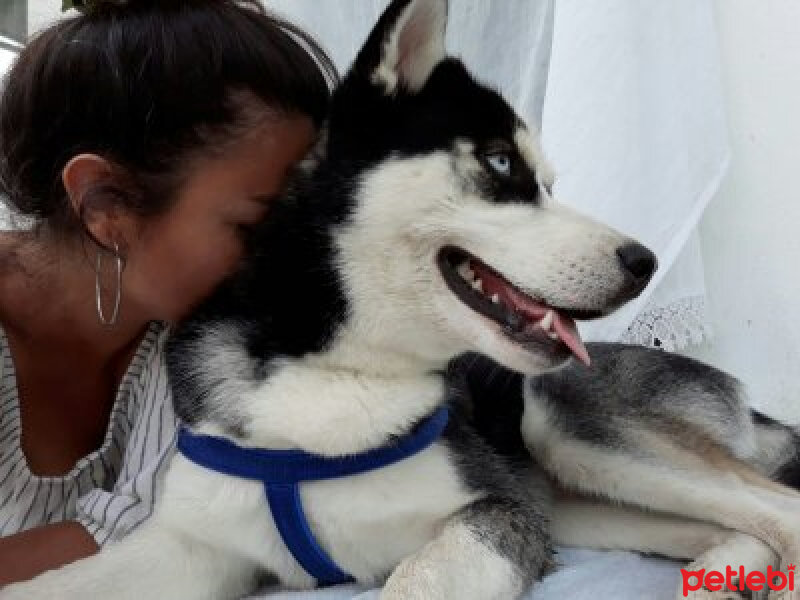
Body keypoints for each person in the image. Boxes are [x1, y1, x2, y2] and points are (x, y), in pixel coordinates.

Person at [0, 0, 334, 585]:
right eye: (255, 226)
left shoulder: (190, 329)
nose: (299, 258)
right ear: (106, 206)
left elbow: (157, 532)